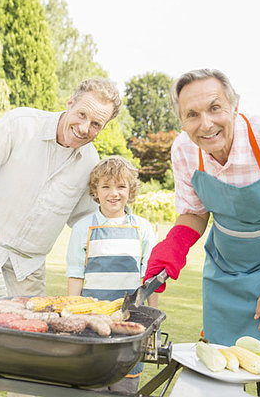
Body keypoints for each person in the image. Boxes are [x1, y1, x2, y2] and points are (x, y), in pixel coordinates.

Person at [143, 69, 260, 396]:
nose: (205, 124)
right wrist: (171, 250)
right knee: (215, 376)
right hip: (227, 270)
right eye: (192, 114)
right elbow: (193, 212)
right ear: (181, 119)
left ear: (234, 106)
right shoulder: (185, 151)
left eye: (215, 108)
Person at [0, 77, 121, 397]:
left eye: (96, 124)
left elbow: (82, 220)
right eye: (82, 115)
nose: (85, 128)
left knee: (34, 337)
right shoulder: (20, 123)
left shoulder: (90, 161)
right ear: (70, 103)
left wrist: (117, 237)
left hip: (29, 257)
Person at [66, 156, 157, 394]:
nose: (113, 193)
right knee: (91, 381)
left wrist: (154, 318)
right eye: (105, 186)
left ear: (131, 190)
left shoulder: (143, 228)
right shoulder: (83, 228)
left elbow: (150, 279)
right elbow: (76, 275)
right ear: (95, 191)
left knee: (124, 385)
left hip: (130, 319)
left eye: (121, 186)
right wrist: (71, 316)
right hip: (92, 318)